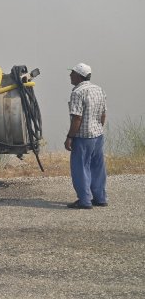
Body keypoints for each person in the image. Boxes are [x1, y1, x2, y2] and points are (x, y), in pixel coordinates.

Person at [65, 63, 107, 209]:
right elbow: (103, 114)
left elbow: (77, 118)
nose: (70, 75)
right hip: (97, 135)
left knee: (81, 168)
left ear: (79, 75)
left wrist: (70, 137)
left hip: (83, 137)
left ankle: (84, 201)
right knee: (97, 167)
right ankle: (100, 198)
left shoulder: (77, 92)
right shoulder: (98, 89)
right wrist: (98, 128)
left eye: (72, 73)